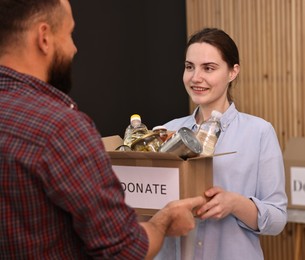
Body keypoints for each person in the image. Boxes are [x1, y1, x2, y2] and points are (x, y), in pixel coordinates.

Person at [0, 0, 206, 259]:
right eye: (69, 33)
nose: (74, 48)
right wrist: (163, 222)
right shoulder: (60, 129)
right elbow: (124, 250)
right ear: (44, 38)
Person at [160, 28, 288, 259]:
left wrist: (235, 204)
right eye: (190, 67)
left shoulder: (259, 133)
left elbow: (277, 219)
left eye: (208, 68)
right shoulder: (167, 132)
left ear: (232, 72)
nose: (195, 77)